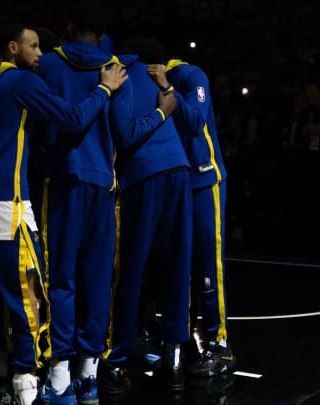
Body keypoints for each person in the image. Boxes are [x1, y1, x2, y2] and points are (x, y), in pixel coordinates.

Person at [0, 22, 128, 405]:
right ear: (12, 48)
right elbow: (72, 119)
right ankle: (27, 379)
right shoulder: (21, 83)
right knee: (23, 295)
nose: (40, 54)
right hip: (7, 202)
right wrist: (105, 88)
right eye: (34, 46)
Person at [35, 16, 174, 405]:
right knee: (98, 280)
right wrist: (162, 112)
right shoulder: (116, 67)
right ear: (101, 34)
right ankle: (89, 376)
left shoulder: (47, 64)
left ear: (68, 28)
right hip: (102, 185)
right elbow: (127, 134)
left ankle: (60, 379)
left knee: (61, 280)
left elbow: (42, 129)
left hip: (61, 181)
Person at [100, 35, 193, 399]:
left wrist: (159, 113)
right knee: (176, 268)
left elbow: (124, 134)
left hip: (145, 177)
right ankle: (173, 362)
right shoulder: (156, 75)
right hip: (180, 171)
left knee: (131, 270)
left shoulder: (116, 73)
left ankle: (118, 358)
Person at [148, 55, 235, 377]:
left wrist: (168, 87)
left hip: (204, 181)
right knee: (176, 266)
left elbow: (196, 121)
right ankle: (178, 339)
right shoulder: (145, 80)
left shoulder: (191, 74)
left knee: (209, 266)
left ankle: (220, 344)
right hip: (177, 182)